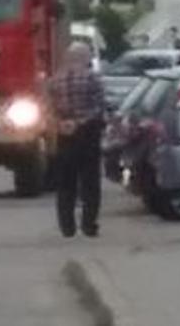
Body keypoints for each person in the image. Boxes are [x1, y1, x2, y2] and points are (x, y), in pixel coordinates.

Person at [46, 42, 106, 238]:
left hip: (64, 136)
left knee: (65, 182)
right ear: (85, 58)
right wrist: (80, 122)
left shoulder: (54, 81)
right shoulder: (92, 79)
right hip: (87, 135)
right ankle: (89, 225)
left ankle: (67, 227)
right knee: (90, 182)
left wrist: (62, 123)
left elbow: (49, 109)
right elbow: (99, 107)